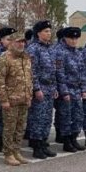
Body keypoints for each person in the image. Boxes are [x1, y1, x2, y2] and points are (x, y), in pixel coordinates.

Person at [0, 31, 32, 166]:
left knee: (20, 128)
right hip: (11, 101)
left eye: (23, 42)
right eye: (18, 41)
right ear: (11, 42)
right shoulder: (4, 58)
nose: (21, 44)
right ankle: (8, 153)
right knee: (10, 128)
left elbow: (29, 78)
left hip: (23, 99)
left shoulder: (25, 57)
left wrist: (29, 96)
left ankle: (16, 151)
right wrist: (3, 100)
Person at [26, 20, 59, 160]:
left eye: (49, 31)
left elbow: (54, 70)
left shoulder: (50, 48)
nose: (49, 33)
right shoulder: (33, 48)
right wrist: (36, 89)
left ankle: (44, 143)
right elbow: (31, 71)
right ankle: (36, 146)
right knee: (37, 118)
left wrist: (55, 87)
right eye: (46, 31)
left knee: (47, 118)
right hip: (40, 88)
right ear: (38, 33)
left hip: (50, 88)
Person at [55, 27, 86, 152]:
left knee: (78, 116)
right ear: (65, 38)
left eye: (76, 39)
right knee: (66, 117)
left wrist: (84, 90)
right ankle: (67, 141)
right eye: (71, 38)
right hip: (67, 90)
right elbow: (60, 74)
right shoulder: (60, 52)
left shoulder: (78, 53)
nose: (74, 41)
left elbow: (82, 73)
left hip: (77, 90)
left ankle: (74, 139)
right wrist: (64, 92)